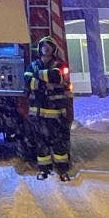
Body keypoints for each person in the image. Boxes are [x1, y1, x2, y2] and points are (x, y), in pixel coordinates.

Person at [24, 36, 73, 181]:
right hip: (38, 113)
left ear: (53, 49)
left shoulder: (60, 64)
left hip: (57, 113)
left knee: (59, 144)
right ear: (39, 49)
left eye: (49, 46)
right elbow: (27, 81)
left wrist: (38, 76)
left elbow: (58, 77)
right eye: (43, 46)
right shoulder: (32, 65)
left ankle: (62, 170)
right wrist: (45, 83)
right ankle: (43, 170)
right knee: (41, 143)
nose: (46, 48)